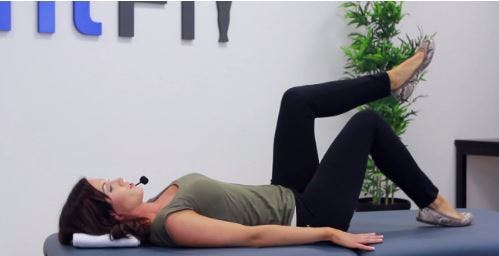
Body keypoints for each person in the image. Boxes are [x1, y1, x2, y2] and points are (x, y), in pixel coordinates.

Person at [58, 39, 472, 252]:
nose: (116, 178)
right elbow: (251, 237)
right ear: (110, 212)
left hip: (286, 192)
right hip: (307, 215)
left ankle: (389, 82)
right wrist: (329, 233)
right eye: (109, 187)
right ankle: (436, 205)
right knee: (366, 124)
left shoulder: (161, 205)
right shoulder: (170, 224)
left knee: (296, 101)